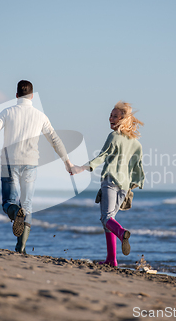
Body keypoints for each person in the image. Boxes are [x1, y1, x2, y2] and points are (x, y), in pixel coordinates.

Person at [0, 80, 72, 253]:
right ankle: (21, 247)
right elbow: (55, 140)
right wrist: (67, 161)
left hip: (9, 163)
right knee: (28, 205)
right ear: (32, 96)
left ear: (17, 95)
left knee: (8, 203)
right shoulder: (41, 116)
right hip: (31, 164)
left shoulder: (8, 112)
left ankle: (15, 211)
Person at [71, 101, 144, 266]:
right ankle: (112, 259)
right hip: (124, 186)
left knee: (106, 219)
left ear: (123, 119)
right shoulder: (136, 144)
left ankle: (122, 232)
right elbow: (137, 168)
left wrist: (82, 168)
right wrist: (133, 186)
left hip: (110, 181)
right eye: (111, 115)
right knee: (109, 220)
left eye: (115, 116)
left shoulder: (114, 136)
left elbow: (102, 156)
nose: (111, 118)